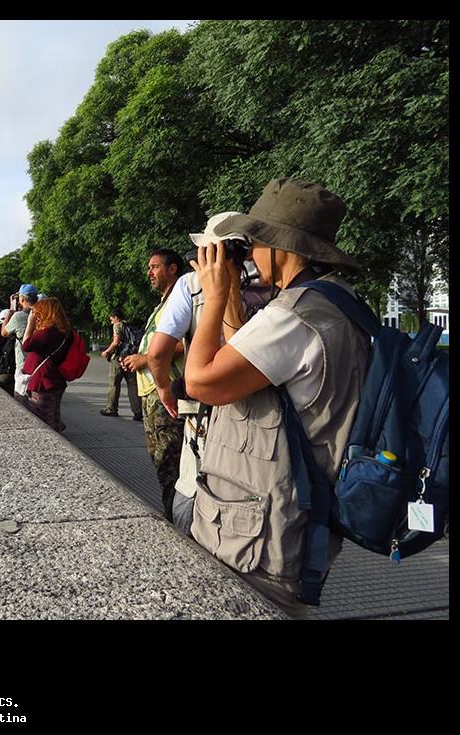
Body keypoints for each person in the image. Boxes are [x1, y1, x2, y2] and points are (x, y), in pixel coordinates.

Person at [182, 177, 370, 619]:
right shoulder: (338, 302)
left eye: (255, 242)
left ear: (282, 247)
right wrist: (231, 296)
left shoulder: (294, 316)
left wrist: (213, 298)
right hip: (291, 523)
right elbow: (240, 362)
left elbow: (201, 382)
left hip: (262, 543)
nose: (248, 254)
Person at [147, 212, 251, 535]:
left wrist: (164, 388)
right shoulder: (270, 283)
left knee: (189, 496)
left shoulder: (191, 285)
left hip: (201, 418)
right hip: (251, 423)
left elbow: (157, 352)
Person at [119, 249, 186, 521]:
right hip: (152, 394)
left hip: (165, 392)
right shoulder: (163, 304)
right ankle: (172, 515)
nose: (149, 272)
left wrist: (144, 359)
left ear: (173, 269)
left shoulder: (180, 300)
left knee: (171, 463)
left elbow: (185, 344)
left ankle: (177, 522)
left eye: (155, 266)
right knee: (160, 461)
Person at [21, 297, 73, 432]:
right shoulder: (65, 332)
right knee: (54, 418)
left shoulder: (47, 332)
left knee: (44, 422)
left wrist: (30, 322)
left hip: (43, 383)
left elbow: (26, 345)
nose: (37, 317)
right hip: (55, 380)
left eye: (38, 314)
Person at [99, 308, 142, 420]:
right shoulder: (129, 325)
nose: (111, 322)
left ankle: (111, 409)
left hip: (118, 358)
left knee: (114, 384)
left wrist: (106, 352)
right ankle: (138, 411)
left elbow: (116, 342)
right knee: (132, 385)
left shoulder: (117, 326)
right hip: (129, 358)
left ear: (116, 318)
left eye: (111, 319)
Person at [0, 284, 39, 399]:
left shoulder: (18, 316)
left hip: (23, 365)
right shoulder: (43, 314)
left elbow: (4, 332)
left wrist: (11, 310)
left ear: (22, 299)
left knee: (21, 399)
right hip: (39, 364)